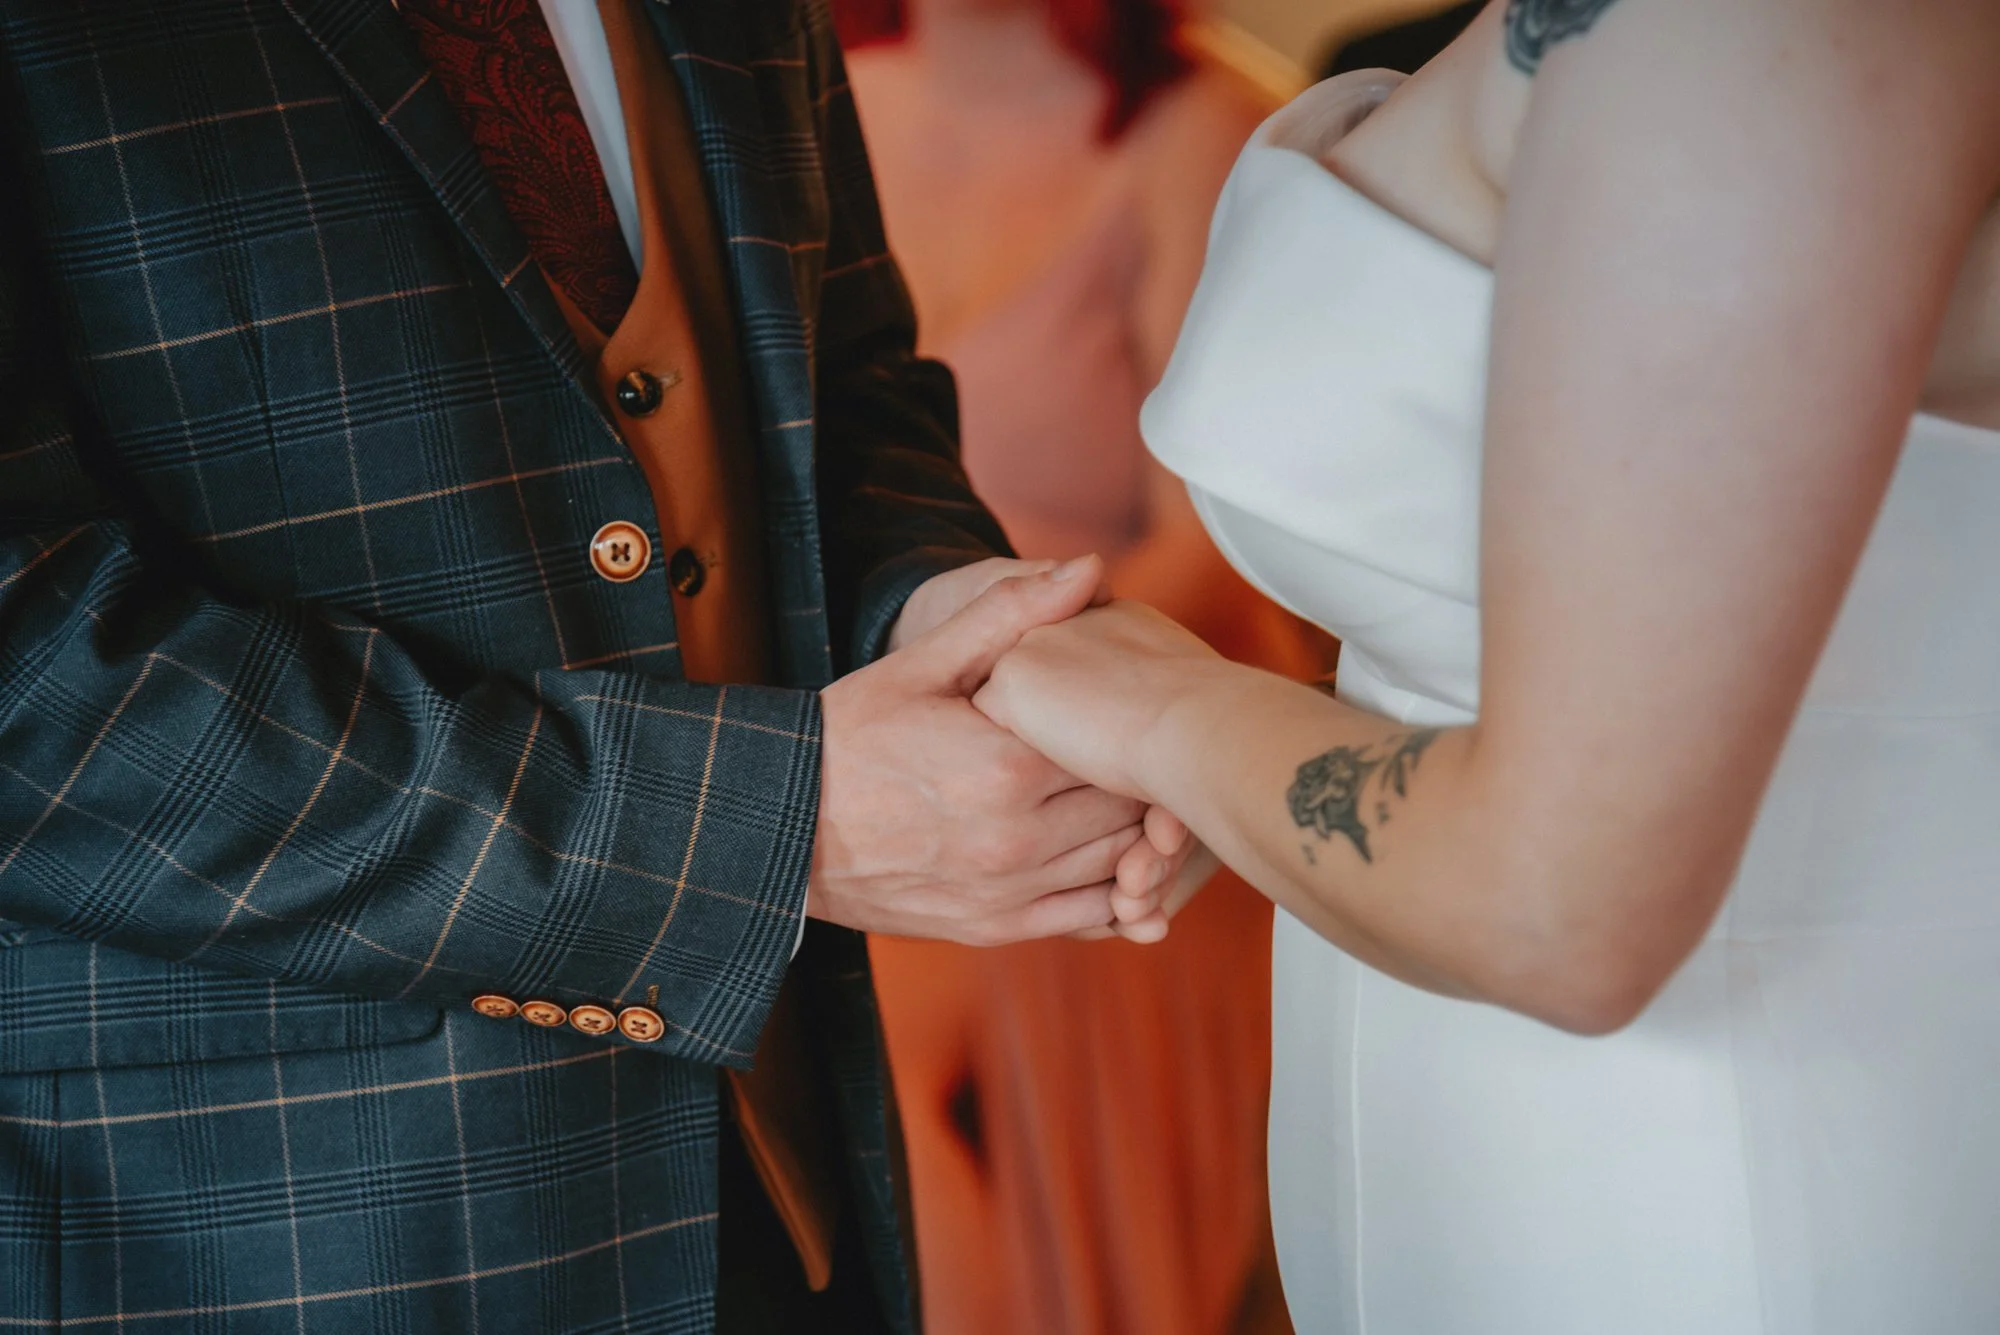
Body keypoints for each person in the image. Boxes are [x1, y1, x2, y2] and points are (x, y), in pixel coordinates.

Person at [0, 2, 1189, 1330]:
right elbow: (28, 681)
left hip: (780, 1165)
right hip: (289, 1221)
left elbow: (838, 390)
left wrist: (963, 618)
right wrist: (769, 831)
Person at [973, 0, 2000, 1331]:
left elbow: (1559, 911)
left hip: (1715, 1159)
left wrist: (1169, 712)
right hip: (1502, 1127)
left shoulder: (1764, 31)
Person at [836, 1, 1310, 1330]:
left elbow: (1219, 547)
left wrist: (1004, 696)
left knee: (872, 1024)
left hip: (1123, 726)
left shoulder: (1200, 134)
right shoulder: (824, 107)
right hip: (872, 717)